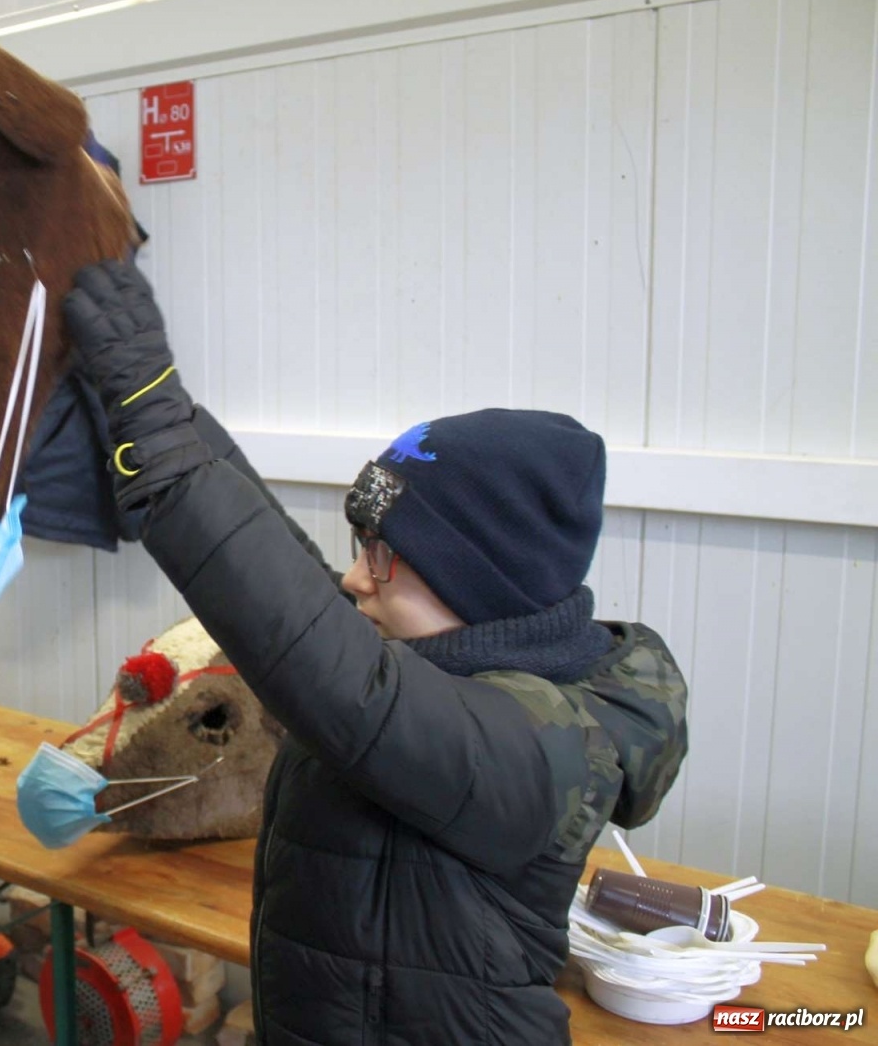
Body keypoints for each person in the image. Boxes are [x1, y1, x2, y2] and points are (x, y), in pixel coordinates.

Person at [62, 259, 689, 1045]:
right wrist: (158, 410)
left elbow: (337, 674)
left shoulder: (549, 749)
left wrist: (155, 435)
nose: (357, 576)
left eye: (382, 553)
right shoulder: (427, 655)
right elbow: (295, 586)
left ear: (478, 578)